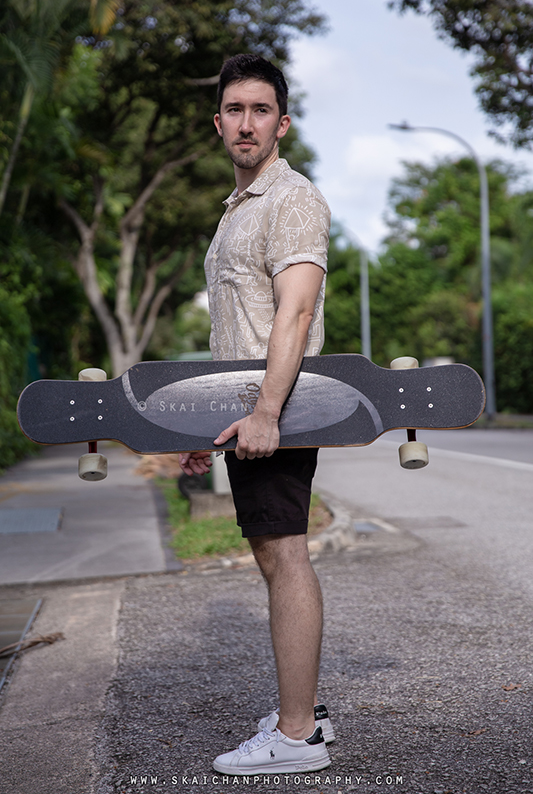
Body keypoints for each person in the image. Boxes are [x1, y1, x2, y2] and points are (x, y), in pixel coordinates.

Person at [179, 54, 333, 775]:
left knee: (284, 551)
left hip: (278, 409)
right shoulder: (236, 210)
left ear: (282, 121)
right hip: (246, 413)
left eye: (260, 110)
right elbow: (232, 337)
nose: (246, 122)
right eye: (234, 110)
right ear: (218, 123)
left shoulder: (290, 199)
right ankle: (300, 715)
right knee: (274, 553)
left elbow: (295, 314)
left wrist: (268, 410)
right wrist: (196, 433)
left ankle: (297, 737)